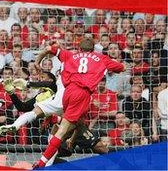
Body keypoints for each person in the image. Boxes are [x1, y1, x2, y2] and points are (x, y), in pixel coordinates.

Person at [33, 37, 125, 168]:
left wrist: (37, 62)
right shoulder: (101, 58)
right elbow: (121, 67)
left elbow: (48, 49)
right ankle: (42, 164)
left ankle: (64, 136)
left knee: (75, 128)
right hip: (81, 94)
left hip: (68, 92)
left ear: (79, 48)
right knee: (64, 131)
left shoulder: (70, 55)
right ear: (93, 49)